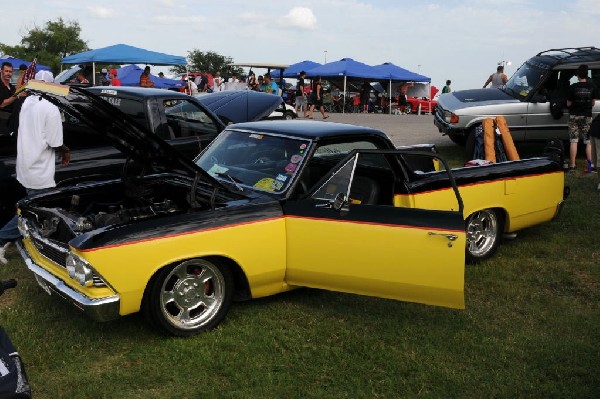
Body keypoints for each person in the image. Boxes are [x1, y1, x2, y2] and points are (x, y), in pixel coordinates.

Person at [0, 70, 70, 264]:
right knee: (34, 211)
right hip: (39, 171)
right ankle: (2, 239)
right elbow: (55, 142)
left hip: (25, 166)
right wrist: (65, 151)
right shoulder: (51, 108)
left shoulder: (27, 103)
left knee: (28, 209)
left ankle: (22, 240)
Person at [566, 64, 597, 172]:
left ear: (578, 75)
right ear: (587, 74)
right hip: (587, 116)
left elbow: (569, 104)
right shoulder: (592, 87)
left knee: (573, 140)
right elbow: (593, 103)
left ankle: (572, 165)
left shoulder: (572, 87)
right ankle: (590, 165)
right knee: (588, 141)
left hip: (574, 116)